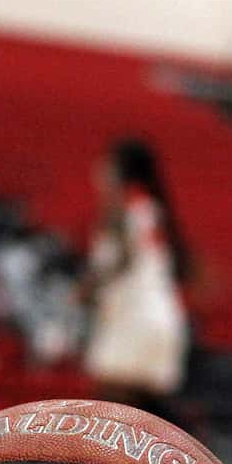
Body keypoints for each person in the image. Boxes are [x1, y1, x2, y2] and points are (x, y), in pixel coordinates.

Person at [82, 139, 189, 415]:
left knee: (116, 417)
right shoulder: (153, 208)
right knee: (149, 417)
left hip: (134, 318)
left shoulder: (124, 208)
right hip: (162, 318)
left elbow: (121, 259)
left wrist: (87, 288)